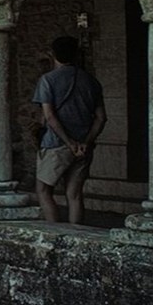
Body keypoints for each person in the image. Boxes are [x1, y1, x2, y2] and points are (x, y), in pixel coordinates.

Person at [32, 35, 105, 225]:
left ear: (53, 54)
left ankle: (55, 233)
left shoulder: (47, 80)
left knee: (43, 190)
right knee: (74, 194)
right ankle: (76, 233)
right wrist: (85, 142)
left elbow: (49, 117)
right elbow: (101, 118)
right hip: (83, 145)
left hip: (56, 144)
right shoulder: (91, 81)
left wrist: (69, 142)